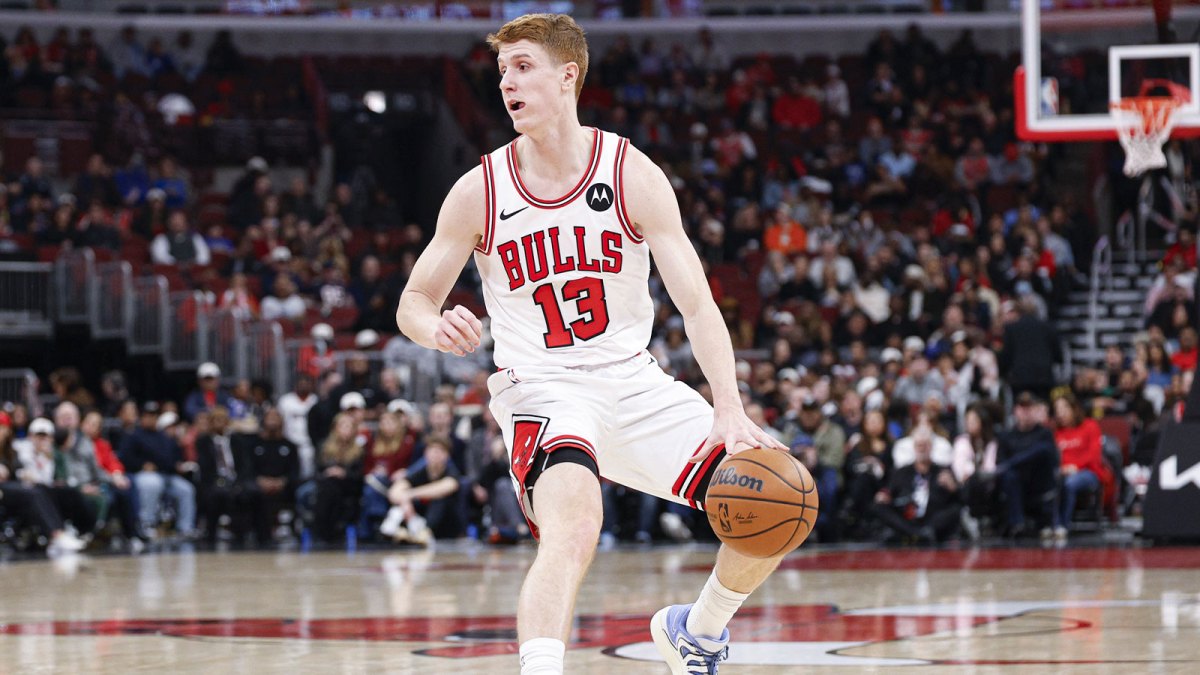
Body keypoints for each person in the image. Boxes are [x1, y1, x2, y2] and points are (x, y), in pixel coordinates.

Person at [394, 14, 787, 675]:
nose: (507, 83)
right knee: (576, 520)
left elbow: (696, 303)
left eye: (523, 67)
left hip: (633, 381)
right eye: (502, 72)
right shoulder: (480, 190)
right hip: (542, 388)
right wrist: (434, 327)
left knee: (778, 493)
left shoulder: (631, 173)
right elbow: (412, 301)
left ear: (567, 76)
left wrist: (729, 406)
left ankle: (698, 630)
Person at [1051, 392, 1111, 541]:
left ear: (1074, 408)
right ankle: (1052, 524)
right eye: (1057, 410)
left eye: (1064, 408)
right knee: (1052, 482)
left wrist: (1075, 466)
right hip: (1062, 472)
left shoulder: (1090, 426)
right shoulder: (1055, 432)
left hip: (1088, 471)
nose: (1060, 413)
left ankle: (1063, 526)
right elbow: (1052, 457)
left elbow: (1093, 455)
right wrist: (1062, 468)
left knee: (1070, 483)